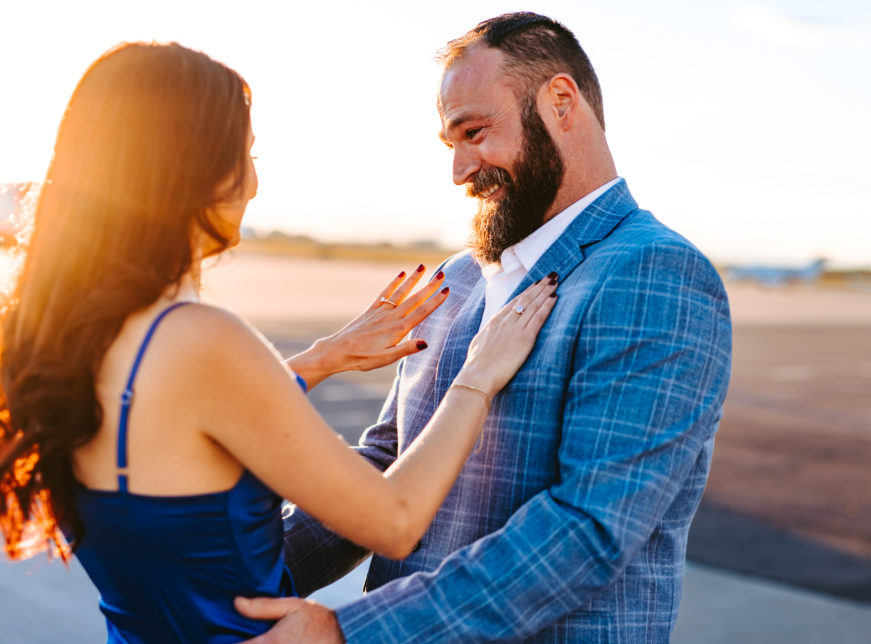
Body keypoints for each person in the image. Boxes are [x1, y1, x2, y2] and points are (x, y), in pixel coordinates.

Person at [0, 41, 557, 642]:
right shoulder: (201, 339)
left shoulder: (73, 339)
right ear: (192, 168)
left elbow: (177, 433)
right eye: (246, 154)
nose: (256, 184)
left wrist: (319, 360)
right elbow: (394, 520)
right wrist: (477, 375)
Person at [239, 12, 733, 643]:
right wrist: (243, 579)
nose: (460, 170)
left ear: (560, 101)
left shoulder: (654, 273)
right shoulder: (458, 278)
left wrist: (349, 633)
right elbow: (387, 464)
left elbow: (587, 531)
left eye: (475, 133)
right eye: (452, 144)